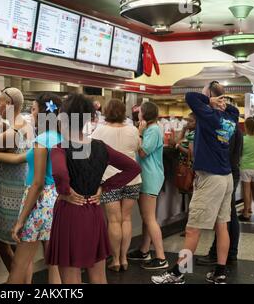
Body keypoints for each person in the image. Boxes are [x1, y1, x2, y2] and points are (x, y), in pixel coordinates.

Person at [47, 94, 141, 284]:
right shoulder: (100, 147)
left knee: (71, 277)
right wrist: (104, 187)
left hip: (70, 214)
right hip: (94, 212)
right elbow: (133, 168)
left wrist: (65, 192)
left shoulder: (60, 148)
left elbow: (60, 174)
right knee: (98, 275)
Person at [152, 81, 239, 284]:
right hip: (225, 178)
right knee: (221, 225)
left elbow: (191, 97)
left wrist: (209, 101)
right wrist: (219, 101)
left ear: (210, 96)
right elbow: (232, 107)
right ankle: (220, 272)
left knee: (192, 228)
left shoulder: (208, 116)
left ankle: (177, 274)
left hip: (210, 179)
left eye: (205, 94)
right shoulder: (230, 117)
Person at [0, 87, 34, 277]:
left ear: (9, 105)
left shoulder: (12, 133)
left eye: (0, 102)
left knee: (2, 242)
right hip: (19, 191)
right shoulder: (26, 125)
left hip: (6, 194)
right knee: (20, 248)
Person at [91, 99, 142, 272]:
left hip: (110, 180)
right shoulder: (133, 129)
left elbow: (90, 151)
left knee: (113, 220)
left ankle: (115, 261)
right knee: (126, 219)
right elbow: (137, 148)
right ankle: (124, 258)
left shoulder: (99, 130)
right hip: (132, 180)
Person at [128, 102, 168, 270]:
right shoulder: (154, 129)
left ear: (145, 115)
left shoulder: (151, 130)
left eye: (140, 112)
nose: (138, 114)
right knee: (147, 217)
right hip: (150, 175)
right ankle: (144, 250)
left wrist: (139, 133)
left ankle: (161, 257)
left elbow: (143, 152)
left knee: (150, 218)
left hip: (149, 176)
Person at [196, 125, 243, 265]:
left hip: (221, 173)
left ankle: (217, 254)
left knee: (222, 219)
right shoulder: (234, 128)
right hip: (231, 171)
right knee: (230, 214)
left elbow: (222, 151)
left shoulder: (223, 128)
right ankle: (231, 252)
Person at [238, 117, 254, 221]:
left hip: (245, 167)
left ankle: (246, 213)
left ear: (246, 127)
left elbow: (239, 153)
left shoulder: (243, 139)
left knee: (246, 191)